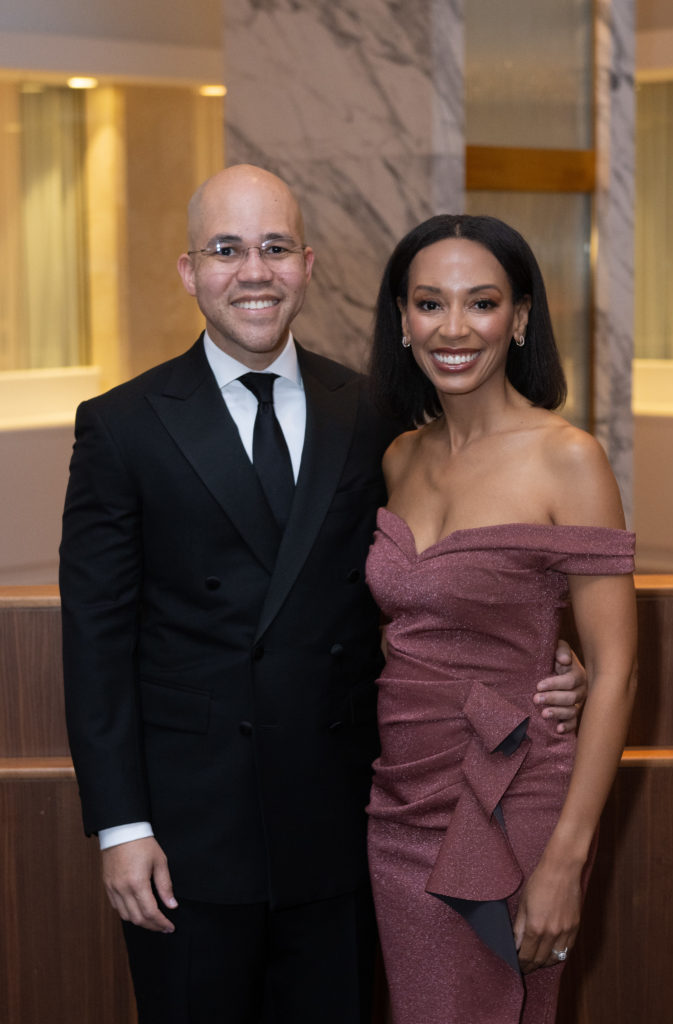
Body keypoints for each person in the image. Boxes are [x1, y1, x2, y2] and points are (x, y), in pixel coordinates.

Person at [59, 168, 585, 1024]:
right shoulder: (121, 426)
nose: (253, 272)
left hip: (345, 825)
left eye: (273, 249)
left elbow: (438, 578)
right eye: (226, 250)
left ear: (306, 265)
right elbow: (95, 642)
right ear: (190, 271)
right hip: (186, 839)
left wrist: (553, 658)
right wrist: (121, 828)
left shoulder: (374, 414)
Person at [365, 213, 637, 1024]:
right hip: (399, 798)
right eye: (428, 303)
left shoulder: (568, 457)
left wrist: (565, 859)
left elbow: (617, 672)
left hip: (517, 796)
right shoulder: (398, 455)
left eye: (480, 303)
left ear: (518, 319)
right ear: (402, 321)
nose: (453, 328)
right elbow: (412, 620)